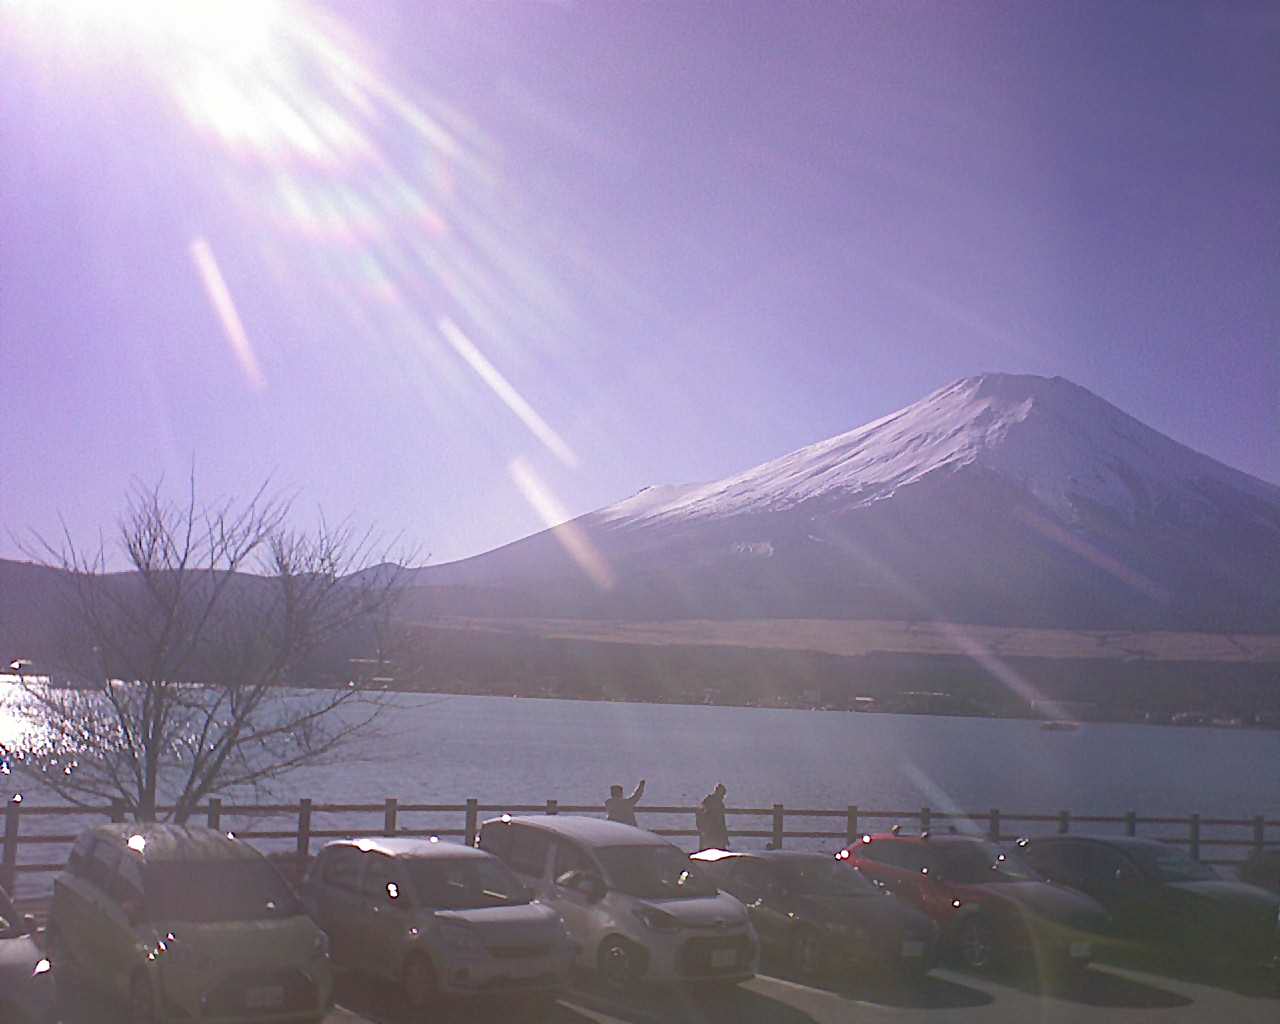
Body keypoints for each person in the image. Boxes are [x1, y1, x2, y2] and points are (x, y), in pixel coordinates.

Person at [696, 783, 729, 850]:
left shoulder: (708, 801)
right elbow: (721, 822)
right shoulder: (715, 803)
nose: (723, 796)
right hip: (712, 834)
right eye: (723, 794)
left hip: (710, 834)